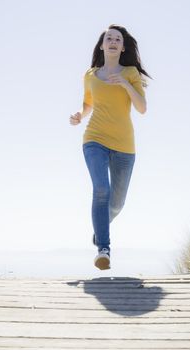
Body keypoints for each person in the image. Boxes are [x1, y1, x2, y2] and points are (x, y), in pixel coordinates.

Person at [69, 24, 151, 270]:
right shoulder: (90, 75)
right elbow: (88, 103)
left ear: (123, 46)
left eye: (118, 39)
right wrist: (79, 116)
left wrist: (125, 85)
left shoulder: (130, 73)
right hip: (94, 139)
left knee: (117, 203)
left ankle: (99, 229)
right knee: (101, 189)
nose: (113, 41)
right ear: (102, 45)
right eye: (109, 38)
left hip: (124, 145)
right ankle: (103, 248)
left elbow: (142, 108)